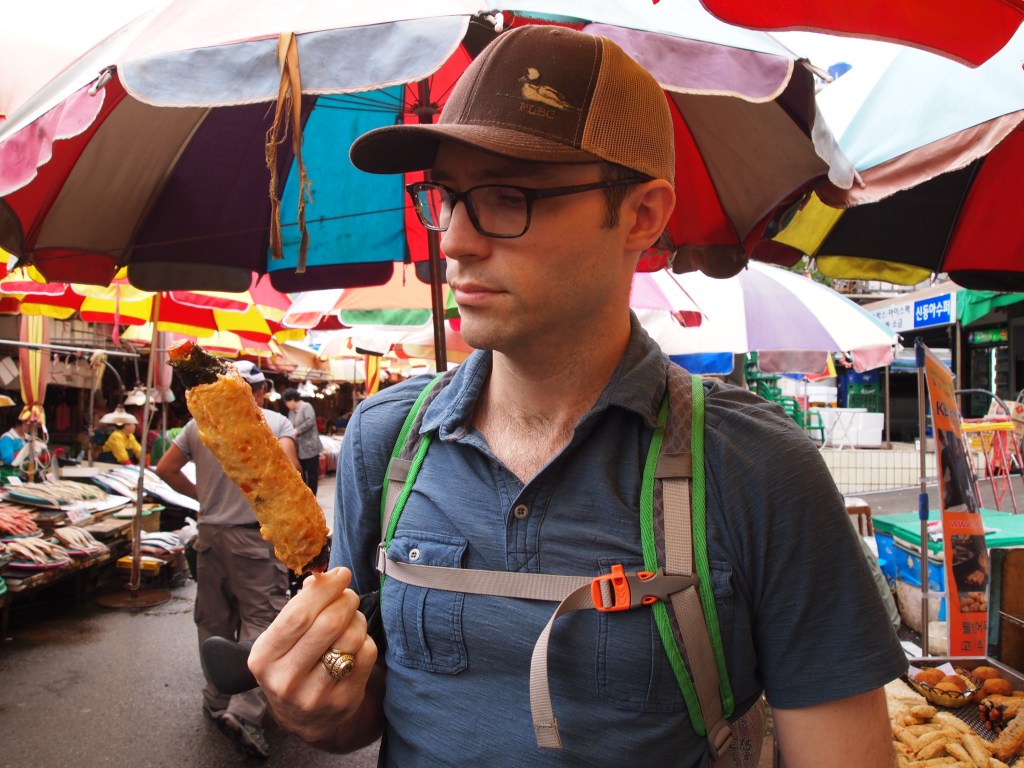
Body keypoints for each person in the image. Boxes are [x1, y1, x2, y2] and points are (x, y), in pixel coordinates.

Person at [248, 25, 906, 768]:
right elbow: (365, 714)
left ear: (642, 215)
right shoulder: (386, 442)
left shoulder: (757, 470)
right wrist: (310, 707)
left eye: (507, 198)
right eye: (447, 198)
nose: (454, 241)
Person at [156, 360, 300, 760]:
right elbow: (290, 471)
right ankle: (245, 711)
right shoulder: (275, 422)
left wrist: (202, 496)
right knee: (262, 622)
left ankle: (216, 697)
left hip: (209, 535)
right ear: (260, 391)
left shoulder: (198, 422)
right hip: (254, 537)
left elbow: (165, 468)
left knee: (213, 619)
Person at [282, 388, 322, 494]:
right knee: (301, 473)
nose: (286, 405)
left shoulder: (306, 406)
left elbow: (310, 421)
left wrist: (298, 430)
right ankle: (304, 495)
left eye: (286, 402)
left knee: (312, 474)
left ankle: (313, 495)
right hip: (299, 448)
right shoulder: (291, 412)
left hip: (310, 446)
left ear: (292, 400)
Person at [0, 415, 28, 482]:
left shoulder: (29, 438)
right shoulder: (7, 438)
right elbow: (9, 460)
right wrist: (26, 451)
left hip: (24, 477)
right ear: (18, 423)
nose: (30, 426)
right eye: (27, 423)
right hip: (7, 477)